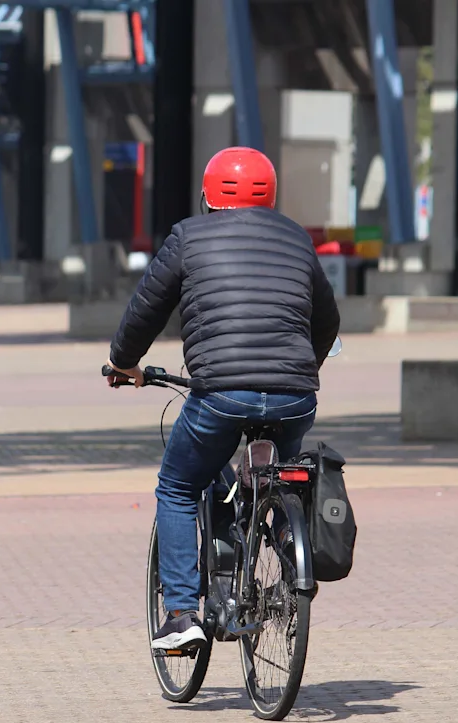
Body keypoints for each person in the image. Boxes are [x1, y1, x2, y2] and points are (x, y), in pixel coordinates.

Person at [106, 146, 340, 652]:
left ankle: (182, 613)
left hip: (221, 396)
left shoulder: (189, 237)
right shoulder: (296, 239)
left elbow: (146, 308)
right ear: (271, 194)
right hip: (295, 396)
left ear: (209, 194)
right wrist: (302, 369)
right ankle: (288, 550)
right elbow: (327, 322)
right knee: (277, 478)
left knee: (177, 486)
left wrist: (124, 361)